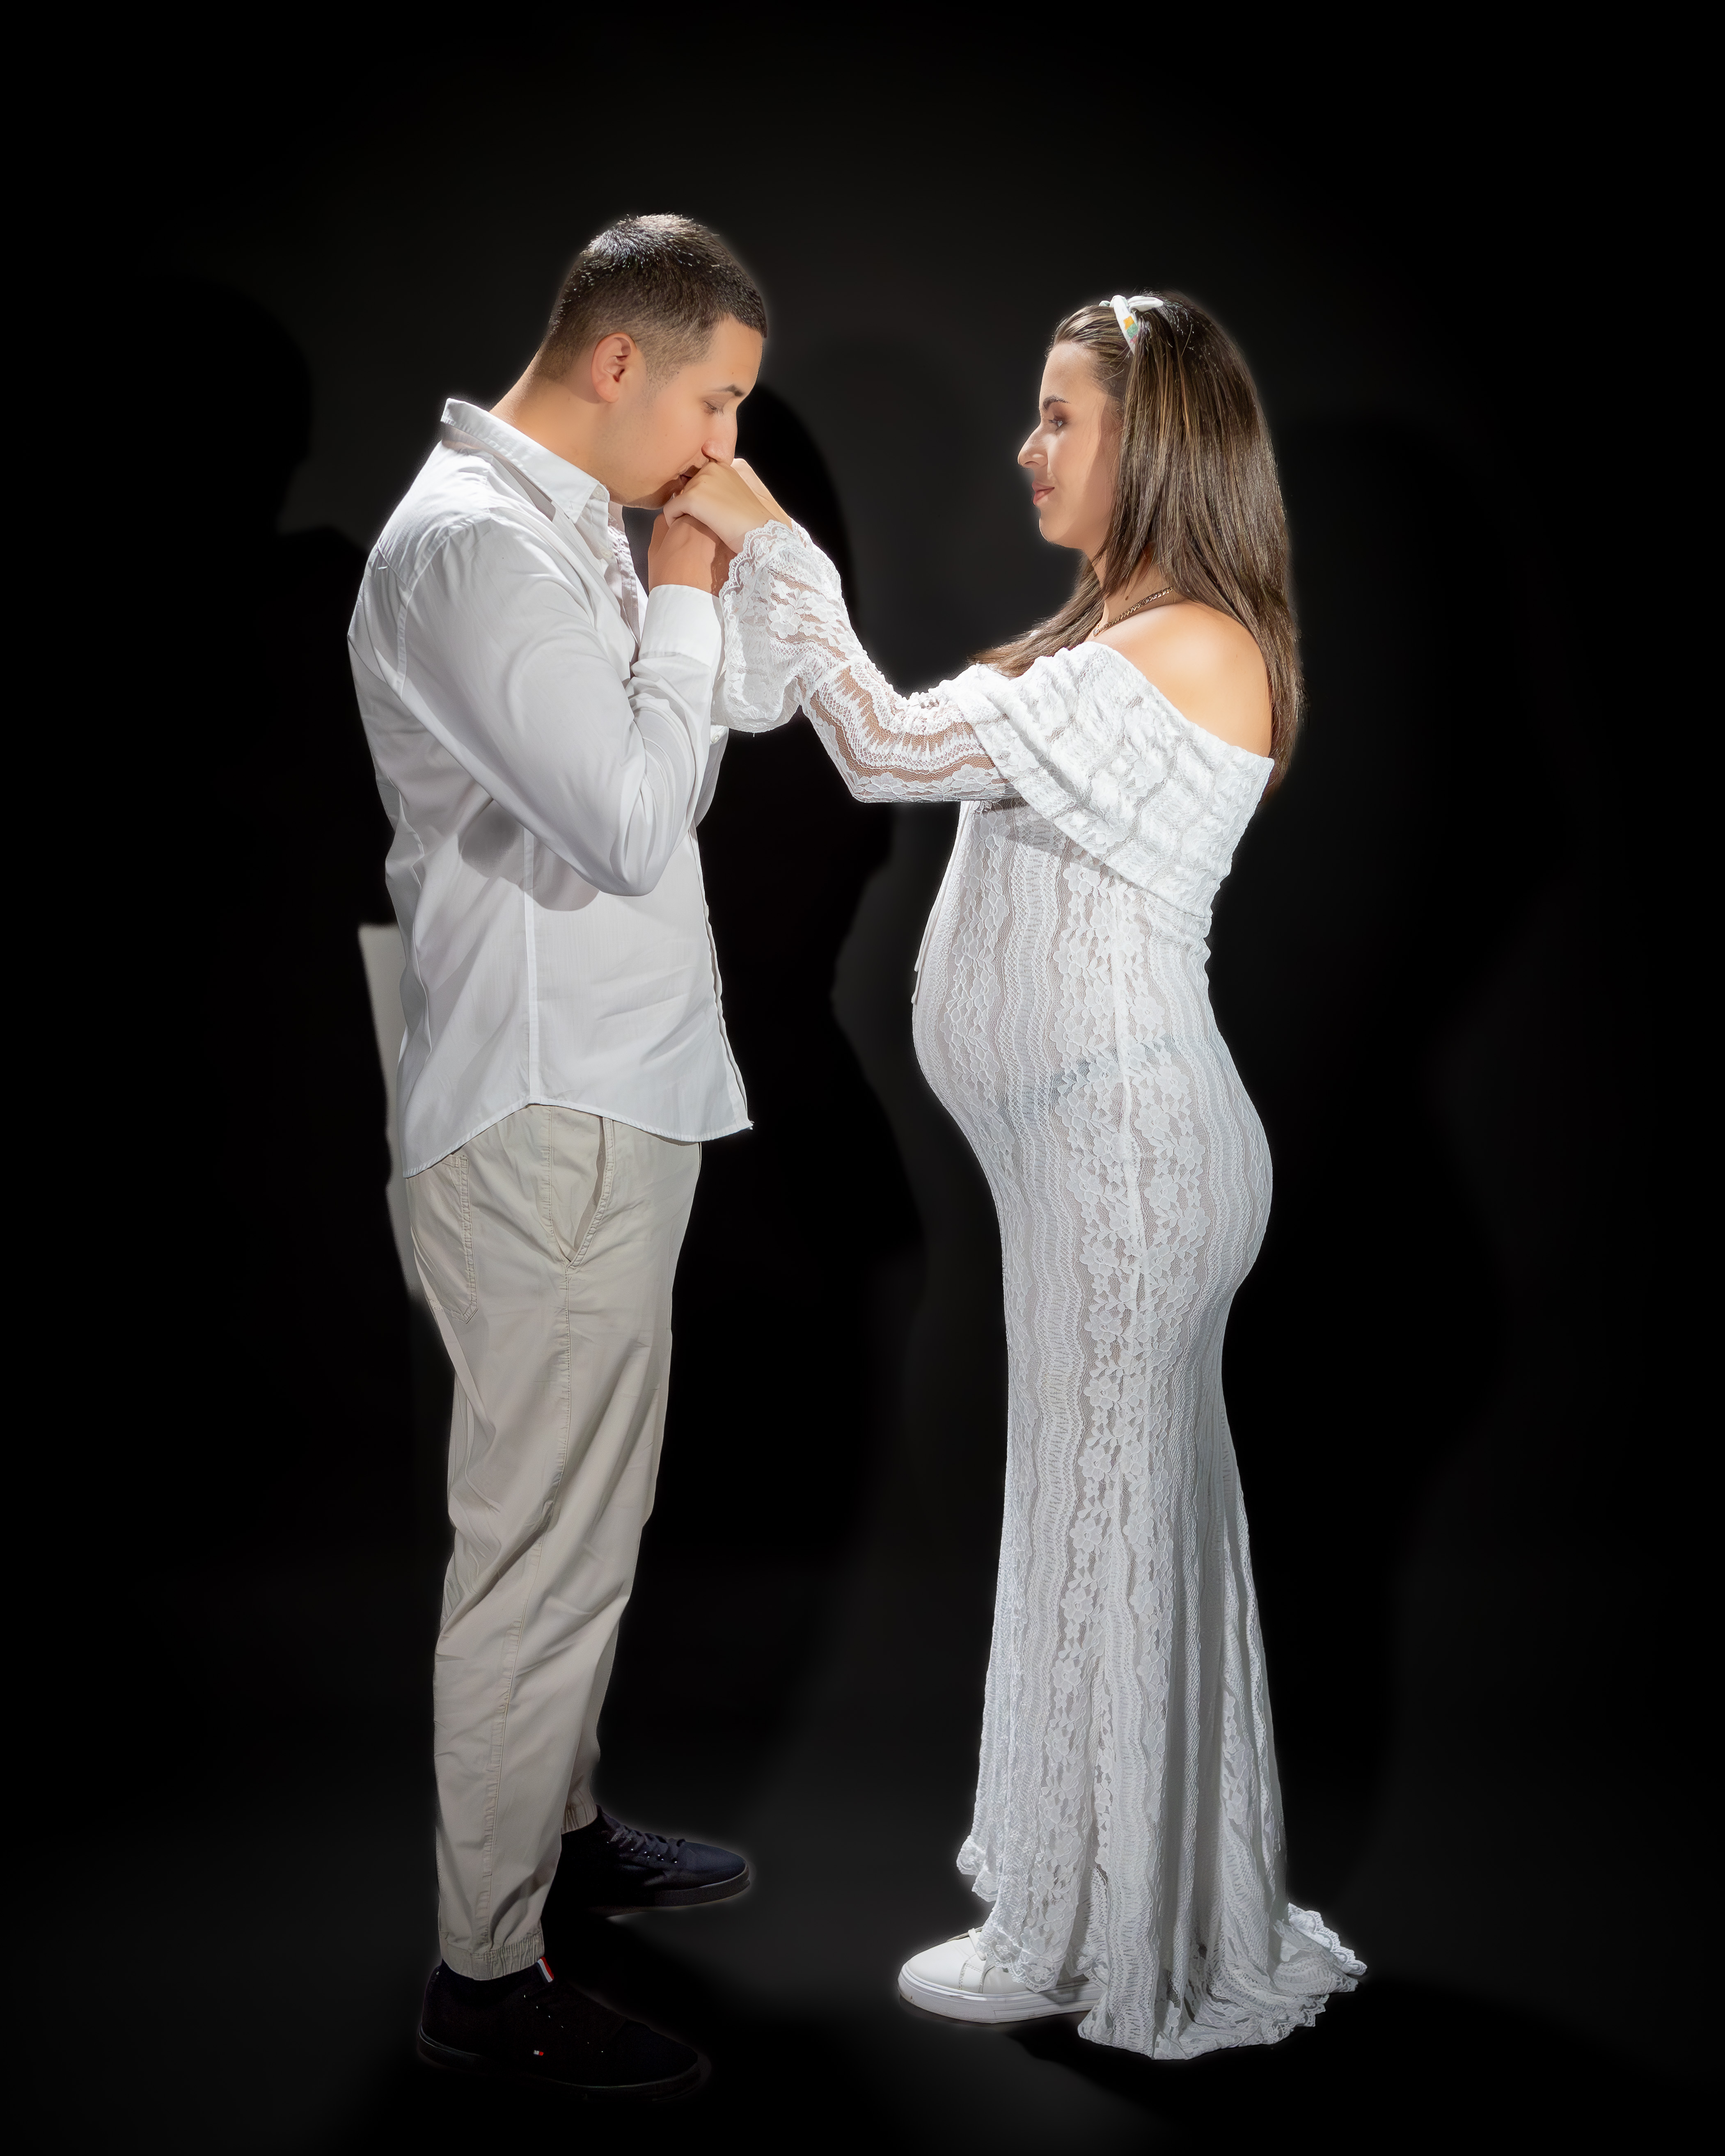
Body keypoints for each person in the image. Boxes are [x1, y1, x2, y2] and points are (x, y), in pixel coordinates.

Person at [669, 292, 1365, 2057]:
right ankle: (1097, 1914)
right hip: (1087, 1161)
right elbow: (857, 716)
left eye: (1062, 417)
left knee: (1106, 1529)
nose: (1026, 448)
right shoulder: (1111, 634)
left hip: (1131, 1157)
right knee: (1092, 1521)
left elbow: (887, 751)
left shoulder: (1191, 645)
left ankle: (1124, 1945)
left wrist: (770, 535)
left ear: (1159, 439)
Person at [348, 215, 766, 2099]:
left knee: (586, 1530)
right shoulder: (473, 548)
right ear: (620, 363)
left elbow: (686, 760)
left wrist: (684, 588)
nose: (719, 444)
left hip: (606, 1101)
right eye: (715, 401)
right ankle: (485, 1974)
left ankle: (564, 1840)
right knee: (537, 1557)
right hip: (549, 1119)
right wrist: (684, 581)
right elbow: (624, 823)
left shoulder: (565, 527)